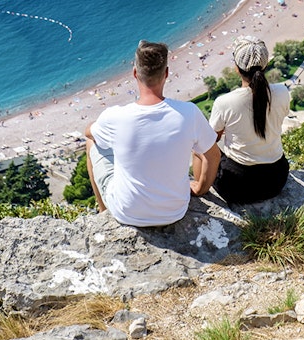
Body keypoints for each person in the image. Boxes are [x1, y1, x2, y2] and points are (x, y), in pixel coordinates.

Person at [85, 40, 220, 227]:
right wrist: (200, 188)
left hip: (127, 213)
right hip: (175, 210)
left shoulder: (116, 116)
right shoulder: (189, 113)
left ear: (135, 73)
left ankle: (103, 211)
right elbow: (213, 156)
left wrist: (99, 125)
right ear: (166, 73)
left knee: (91, 142)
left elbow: (89, 132)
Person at [206, 35, 290, 204]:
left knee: (200, 144)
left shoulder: (225, 102)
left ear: (237, 68)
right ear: (265, 65)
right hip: (276, 179)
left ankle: (199, 188)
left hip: (238, 185)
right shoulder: (282, 92)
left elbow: (210, 139)